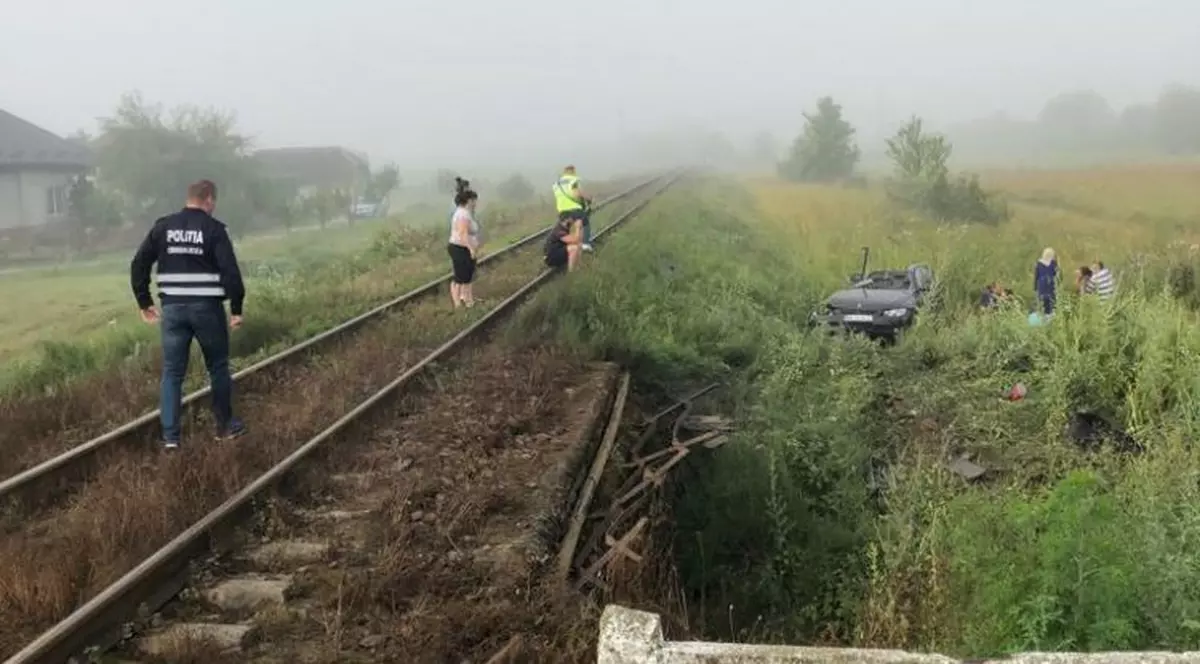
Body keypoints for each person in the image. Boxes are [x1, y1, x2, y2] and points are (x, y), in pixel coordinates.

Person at [130, 179, 247, 450]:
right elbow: (230, 272)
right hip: (207, 309)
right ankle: (225, 427)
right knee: (217, 367)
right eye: (213, 202)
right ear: (208, 199)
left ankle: (170, 438)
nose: (213, 206)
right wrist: (237, 308)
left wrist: (144, 301)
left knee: (172, 373)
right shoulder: (214, 229)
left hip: (172, 310)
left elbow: (139, 263)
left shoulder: (163, 227)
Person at [447, 186, 481, 308]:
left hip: (463, 248)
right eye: (474, 200)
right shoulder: (462, 214)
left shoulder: (466, 213)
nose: (475, 203)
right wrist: (470, 248)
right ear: (468, 201)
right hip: (460, 248)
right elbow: (463, 233)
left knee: (467, 275)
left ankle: (467, 300)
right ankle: (458, 303)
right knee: (460, 276)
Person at [553, 165, 593, 252]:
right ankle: (585, 244)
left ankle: (564, 247)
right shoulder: (573, 180)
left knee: (565, 228)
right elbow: (576, 194)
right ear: (573, 171)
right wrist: (588, 198)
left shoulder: (557, 183)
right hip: (574, 208)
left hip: (562, 210)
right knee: (585, 223)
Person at [543, 208, 584, 272]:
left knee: (578, 245)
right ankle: (571, 272)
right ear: (566, 219)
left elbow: (579, 240)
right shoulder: (559, 230)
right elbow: (576, 240)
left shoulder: (564, 227)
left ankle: (577, 266)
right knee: (573, 248)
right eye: (572, 217)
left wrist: (580, 228)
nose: (573, 219)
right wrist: (578, 228)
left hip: (558, 251)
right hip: (550, 257)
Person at [1034, 247, 1058, 315]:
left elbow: (1036, 276)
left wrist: (1035, 287)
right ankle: (1050, 317)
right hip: (1051, 285)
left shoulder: (1039, 263)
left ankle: (1043, 317)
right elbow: (1057, 275)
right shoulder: (1054, 263)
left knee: (1042, 303)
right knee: (1051, 303)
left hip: (1041, 285)